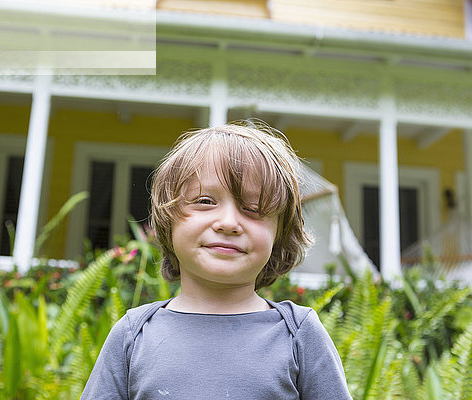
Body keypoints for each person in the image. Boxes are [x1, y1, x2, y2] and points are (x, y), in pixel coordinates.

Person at [80, 122, 353, 399]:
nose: (228, 223)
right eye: (205, 201)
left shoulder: (299, 334)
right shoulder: (132, 335)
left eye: (253, 208)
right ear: (168, 220)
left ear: (280, 234)